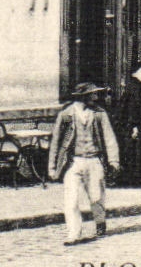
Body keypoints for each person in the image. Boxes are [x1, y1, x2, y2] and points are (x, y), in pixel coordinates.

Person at [48, 82, 120, 245]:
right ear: (83, 96)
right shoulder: (66, 115)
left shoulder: (99, 114)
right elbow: (56, 142)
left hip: (94, 160)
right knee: (71, 199)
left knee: (96, 197)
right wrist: (52, 167)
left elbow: (109, 138)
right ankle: (74, 233)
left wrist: (113, 160)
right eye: (92, 94)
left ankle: (100, 222)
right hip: (73, 162)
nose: (95, 97)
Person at [114, 64, 141, 188]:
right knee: (137, 153)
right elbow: (132, 109)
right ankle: (138, 180)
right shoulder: (134, 89)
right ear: (134, 74)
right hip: (137, 126)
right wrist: (134, 126)